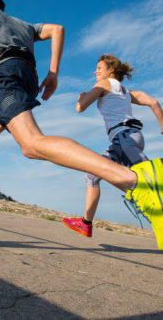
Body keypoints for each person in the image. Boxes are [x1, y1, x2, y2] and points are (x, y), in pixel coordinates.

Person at [0, 0, 163, 250]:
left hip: (5, 75)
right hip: (28, 78)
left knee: (32, 144)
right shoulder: (24, 25)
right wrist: (53, 73)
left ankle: (133, 180)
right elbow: (57, 29)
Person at [63, 54, 163, 237]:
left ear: (111, 70)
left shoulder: (104, 84)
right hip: (125, 138)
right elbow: (153, 102)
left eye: (99, 68)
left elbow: (80, 108)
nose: (95, 71)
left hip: (125, 138)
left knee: (151, 182)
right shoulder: (125, 92)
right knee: (93, 174)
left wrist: (81, 97)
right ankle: (86, 222)